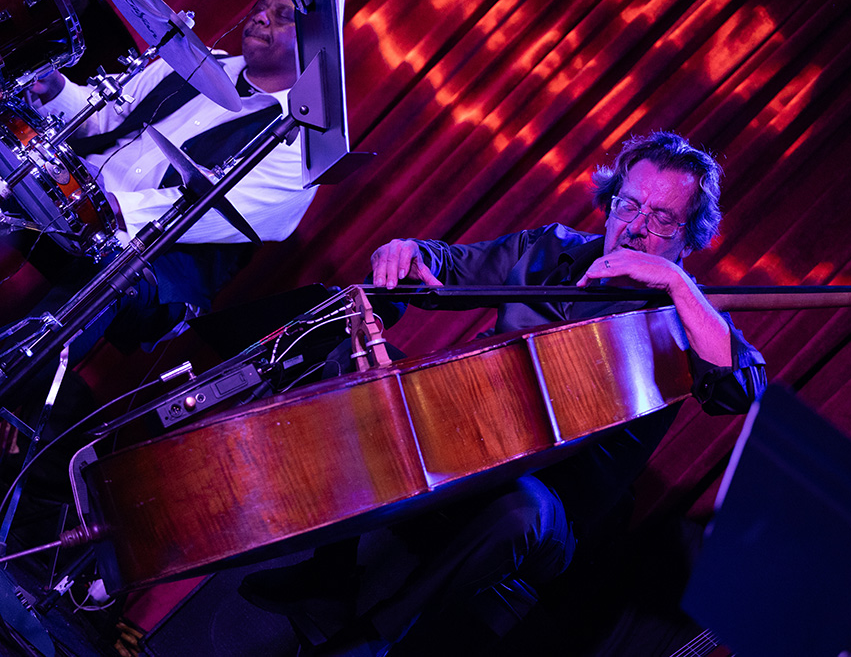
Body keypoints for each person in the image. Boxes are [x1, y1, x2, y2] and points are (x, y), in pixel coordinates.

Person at [242, 130, 765, 656]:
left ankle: (374, 639)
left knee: (521, 510)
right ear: (609, 204)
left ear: (688, 239)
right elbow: (445, 269)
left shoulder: (685, 326)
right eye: (629, 205)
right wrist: (407, 252)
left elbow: (741, 388)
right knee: (351, 366)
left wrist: (677, 286)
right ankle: (330, 576)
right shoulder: (550, 250)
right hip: (466, 436)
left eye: (662, 220)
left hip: (551, 504)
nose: (636, 229)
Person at [10, 0, 315, 359]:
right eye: (260, 5)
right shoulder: (196, 60)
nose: (260, 16)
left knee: (114, 271)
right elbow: (106, 117)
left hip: (157, 261)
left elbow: (214, 212)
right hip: (80, 192)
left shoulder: (298, 141)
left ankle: (12, 375)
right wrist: (57, 89)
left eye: (282, 16)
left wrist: (110, 206)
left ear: (314, 43)